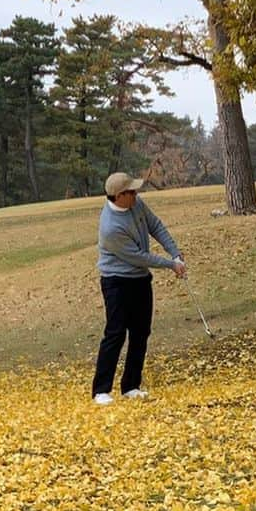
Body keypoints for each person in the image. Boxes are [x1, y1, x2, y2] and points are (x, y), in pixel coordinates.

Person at [91, 170, 185, 404]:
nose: (137, 194)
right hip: (116, 281)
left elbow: (156, 225)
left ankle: (131, 386)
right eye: (132, 191)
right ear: (119, 196)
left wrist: (175, 252)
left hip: (140, 279)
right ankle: (101, 390)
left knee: (141, 332)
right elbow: (139, 257)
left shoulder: (136, 204)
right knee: (115, 333)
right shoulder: (110, 228)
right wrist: (170, 265)